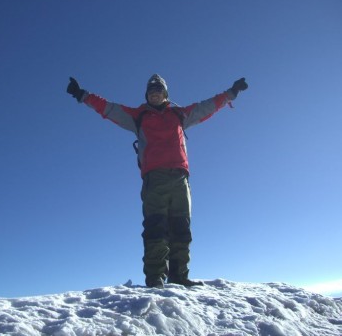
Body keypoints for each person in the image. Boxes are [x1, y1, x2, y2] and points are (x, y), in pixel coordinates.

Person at [66, 74, 248, 288]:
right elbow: (108, 109)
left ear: (165, 94)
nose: (154, 94)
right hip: (154, 179)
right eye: (151, 92)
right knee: (156, 227)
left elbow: (206, 107)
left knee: (181, 228)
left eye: (158, 91)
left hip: (180, 178)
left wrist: (231, 93)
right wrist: (82, 94)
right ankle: (155, 278)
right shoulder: (138, 116)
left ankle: (179, 275)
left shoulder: (180, 114)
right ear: (147, 95)